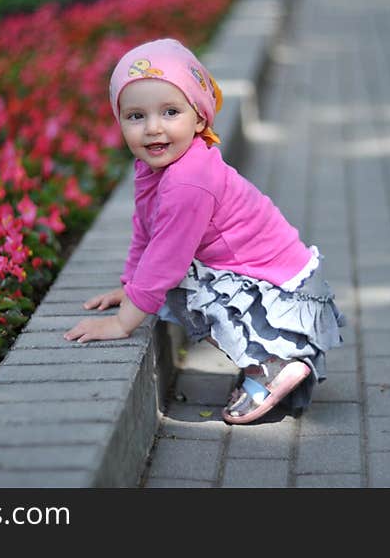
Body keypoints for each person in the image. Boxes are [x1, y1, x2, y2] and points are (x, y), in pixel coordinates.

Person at [64, 38, 345, 424]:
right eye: (135, 116)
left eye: (170, 112)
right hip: (270, 279)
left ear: (199, 119)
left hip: (282, 293)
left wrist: (122, 322)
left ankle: (271, 362)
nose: (153, 129)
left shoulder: (187, 182)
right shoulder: (159, 166)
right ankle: (271, 354)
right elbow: (145, 228)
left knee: (174, 288)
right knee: (157, 286)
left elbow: (165, 258)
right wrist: (130, 285)